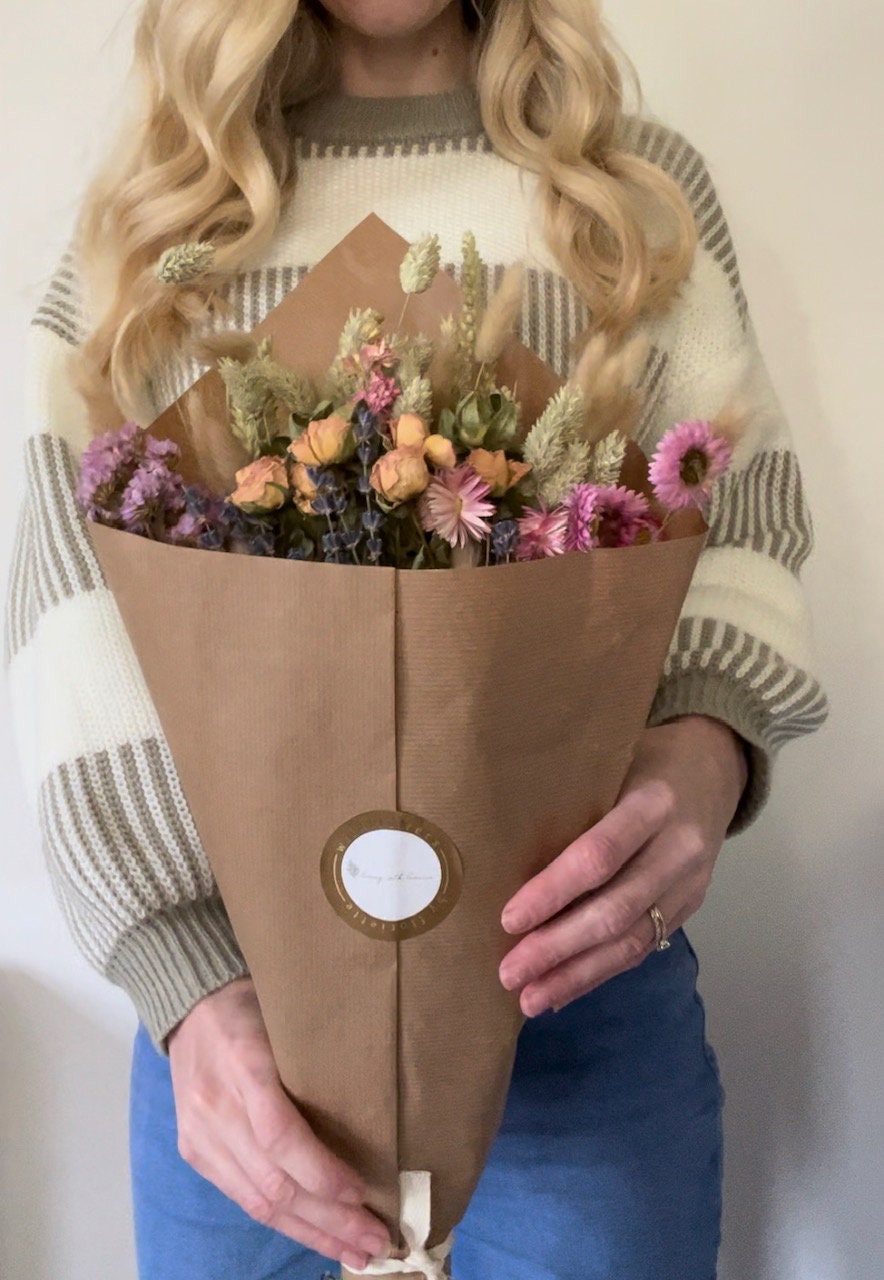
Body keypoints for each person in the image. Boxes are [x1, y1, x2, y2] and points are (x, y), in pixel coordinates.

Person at [4, 1, 829, 1278]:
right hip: (236, 1053)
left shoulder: (627, 196)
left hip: (575, 996)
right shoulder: (160, 212)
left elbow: (742, 504)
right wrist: (180, 969)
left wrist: (702, 749)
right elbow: (69, 583)